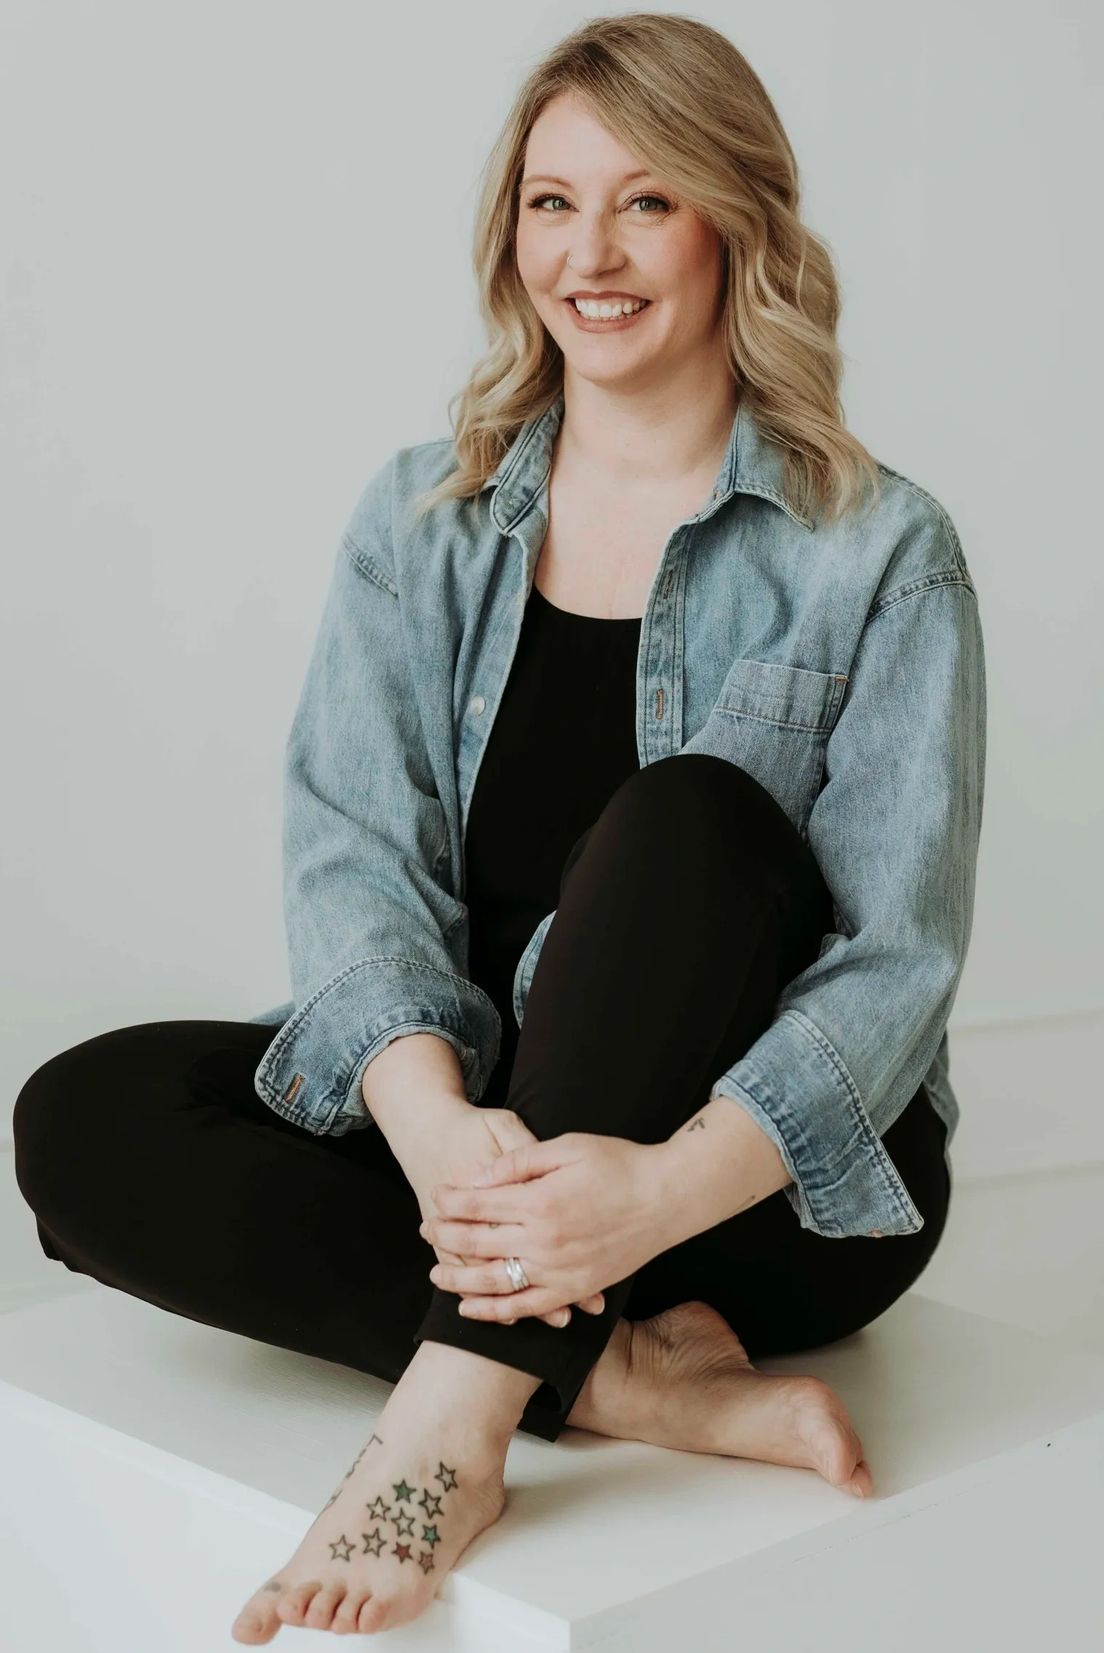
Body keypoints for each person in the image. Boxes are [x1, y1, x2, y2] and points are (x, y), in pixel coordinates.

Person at [11, 13, 986, 1644]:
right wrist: (436, 1133)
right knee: (83, 1119)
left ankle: (451, 1428)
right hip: (489, 1157)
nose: (588, 255)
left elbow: (899, 961)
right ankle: (623, 1376)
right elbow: (354, 861)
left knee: (690, 820)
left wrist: (652, 1195)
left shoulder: (877, 550)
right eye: (551, 202)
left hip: (751, 1199)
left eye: (645, 201)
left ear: (736, 222)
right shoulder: (425, 521)